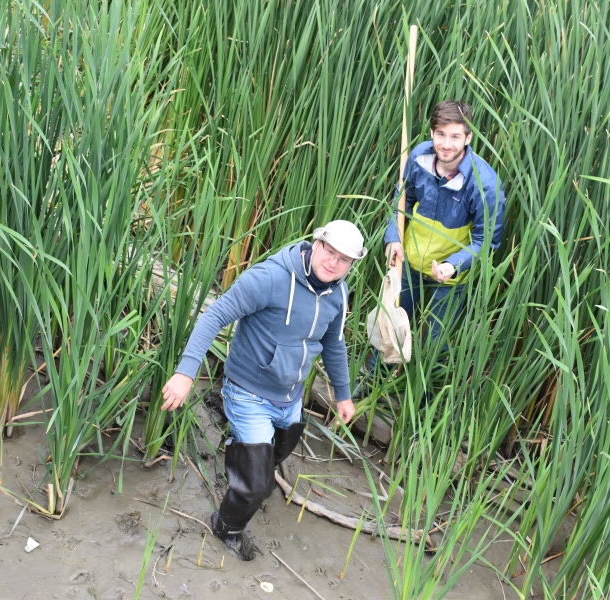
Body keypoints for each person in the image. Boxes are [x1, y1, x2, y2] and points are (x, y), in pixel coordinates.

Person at [159, 220, 367, 560]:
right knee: (257, 485)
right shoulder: (270, 278)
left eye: (344, 259)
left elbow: (334, 343)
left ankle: (242, 450)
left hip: (291, 396)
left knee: (276, 454)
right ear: (316, 243)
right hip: (248, 391)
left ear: (352, 263)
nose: (333, 262)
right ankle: (226, 527)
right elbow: (214, 317)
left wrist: (342, 394)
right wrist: (185, 372)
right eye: (329, 251)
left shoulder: (338, 292)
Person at [357, 100, 505, 398]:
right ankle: (372, 384)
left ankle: (421, 404)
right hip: (410, 262)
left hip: (450, 277)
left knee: (435, 343)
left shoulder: (484, 183)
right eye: (440, 134)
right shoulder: (419, 157)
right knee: (391, 325)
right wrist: (392, 237)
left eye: (454, 136)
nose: (446, 144)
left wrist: (454, 265)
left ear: (468, 137)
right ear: (432, 133)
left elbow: (486, 241)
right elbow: (402, 200)